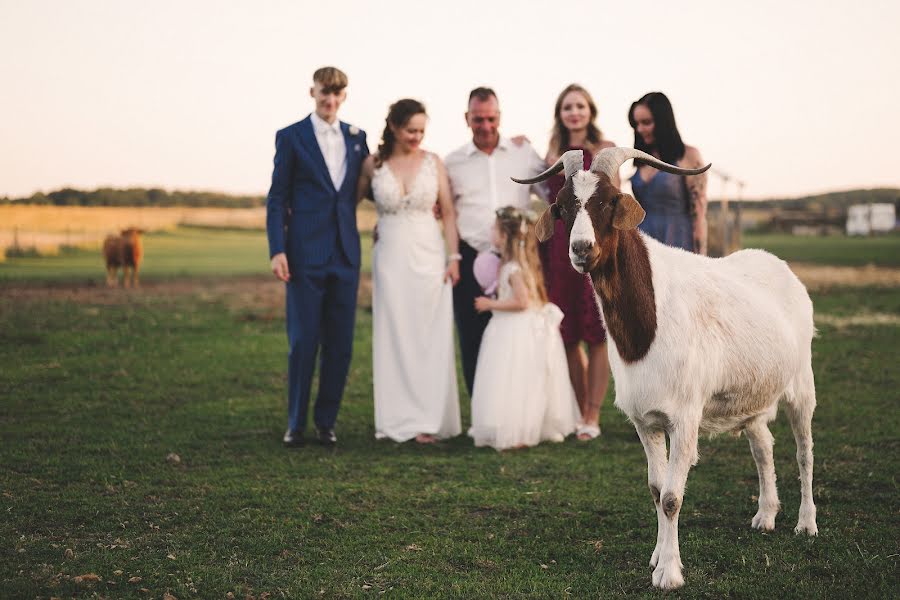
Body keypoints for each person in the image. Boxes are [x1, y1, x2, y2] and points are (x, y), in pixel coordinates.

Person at [266, 66, 369, 448]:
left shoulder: (358, 138)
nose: (330, 100)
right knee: (303, 341)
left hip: (345, 254)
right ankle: (295, 422)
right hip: (303, 254)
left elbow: (372, 183)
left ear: (344, 96)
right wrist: (277, 249)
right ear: (313, 91)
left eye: (337, 94)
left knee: (341, 344)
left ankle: (327, 422)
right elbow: (277, 197)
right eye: (324, 93)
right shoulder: (291, 137)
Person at [356, 99, 462, 444]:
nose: (417, 136)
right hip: (389, 256)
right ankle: (395, 419)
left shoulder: (433, 162)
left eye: (421, 130)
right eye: (410, 130)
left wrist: (454, 257)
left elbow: (447, 212)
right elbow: (347, 202)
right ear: (394, 128)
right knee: (394, 333)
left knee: (428, 335)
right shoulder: (373, 164)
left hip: (429, 254)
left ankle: (427, 420)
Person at [444, 87, 547, 396]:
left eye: (491, 118)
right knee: (472, 335)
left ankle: (517, 405)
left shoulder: (523, 154)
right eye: (478, 119)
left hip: (517, 260)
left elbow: (552, 193)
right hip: (472, 256)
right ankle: (482, 408)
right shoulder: (453, 162)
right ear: (467, 118)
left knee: (517, 334)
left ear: (499, 117)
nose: (485, 126)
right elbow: (443, 208)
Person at [468, 206, 580, 450]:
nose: (490, 232)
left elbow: (522, 302)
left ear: (505, 236)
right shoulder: (515, 265)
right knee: (517, 380)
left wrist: (490, 304)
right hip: (513, 328)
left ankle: (517, 429)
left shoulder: (513, 269)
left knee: (514, 380)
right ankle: (514, 426)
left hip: (513, 330)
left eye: (494, 229)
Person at [541, 83, 612, 440]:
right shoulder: (550, 150)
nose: (574, 112)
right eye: (567, 107)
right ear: (560, 112)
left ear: (590, 110)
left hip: (592, 245)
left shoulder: (605, 149)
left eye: (580, 106)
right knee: (568, 333)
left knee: (597, 333)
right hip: (558, 247)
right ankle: (581, 409)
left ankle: (593, 414)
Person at [628, 91, 709, 254]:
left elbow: (699, 214)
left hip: (678, 244)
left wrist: (701, 257)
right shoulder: (641, 159)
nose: (640, 129)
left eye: (646, 122)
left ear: (663, 121)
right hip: (644, 246)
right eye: (636, 124)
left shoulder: (689, 155)